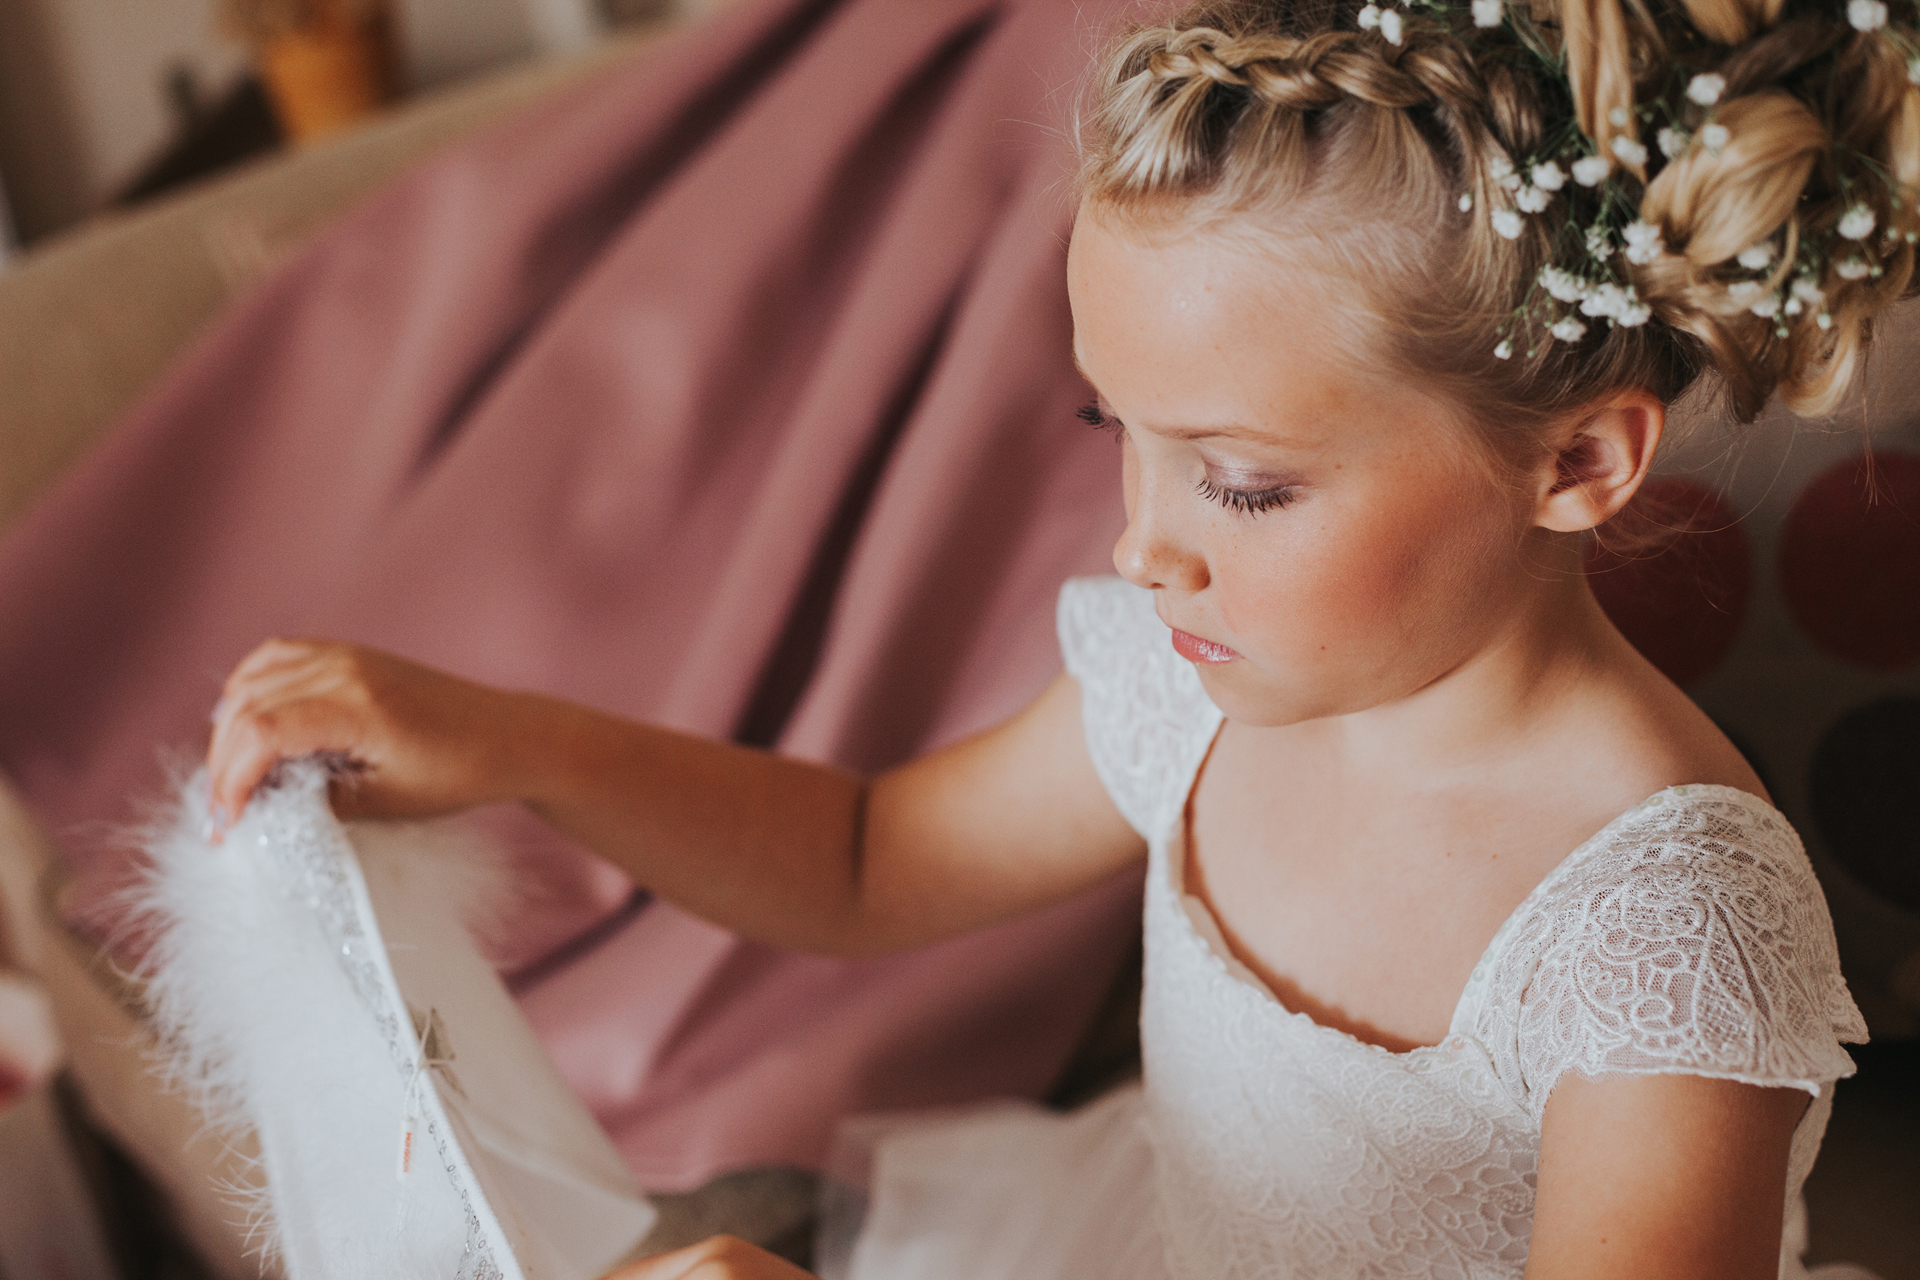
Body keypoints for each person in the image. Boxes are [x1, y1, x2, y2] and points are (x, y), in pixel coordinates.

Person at [202, 0, 1906, 1275]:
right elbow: (870, 862)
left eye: (1240, 485)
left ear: (1580, 462)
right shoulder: (1200, 683)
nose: (1138, 544)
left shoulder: (1666, 944)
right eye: (1116, 433)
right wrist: (515, 745)